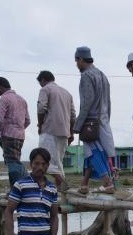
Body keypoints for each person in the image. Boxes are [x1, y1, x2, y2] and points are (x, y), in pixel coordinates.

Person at [73, 46, 116, 195]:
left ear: (80, 59)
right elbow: (109, 101)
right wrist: (106, 119)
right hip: (103, 118)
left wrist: (78, 124)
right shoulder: (102, 75)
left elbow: (87, 101)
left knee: (92, 152)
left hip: (90, 121)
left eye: (76, 61)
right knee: (90, 152)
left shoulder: (86, 75)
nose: (76, 65)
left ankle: (108, 183)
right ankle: (84, 184)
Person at [36, 70, 77, 191]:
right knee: (58, 163)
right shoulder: (67, 93)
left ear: (43, 80)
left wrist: (40, 125)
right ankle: (61, 190)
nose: (40, 85)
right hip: (64, 132)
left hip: (49, 130)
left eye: (40, 82)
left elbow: (41, 108)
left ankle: (62, 182)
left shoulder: (45, 89)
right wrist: (71, 132)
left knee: (43, 161)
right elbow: (73, 115)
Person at [0, 77, 30, 187]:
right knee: (13, 161)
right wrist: (18, 129)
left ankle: (23, 187)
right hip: (20, 136)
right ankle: (17, 187)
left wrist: (8, 129)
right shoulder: (22, 99)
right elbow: (27, 121)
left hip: (7, 135)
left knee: (13, 163)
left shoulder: (4, 98)